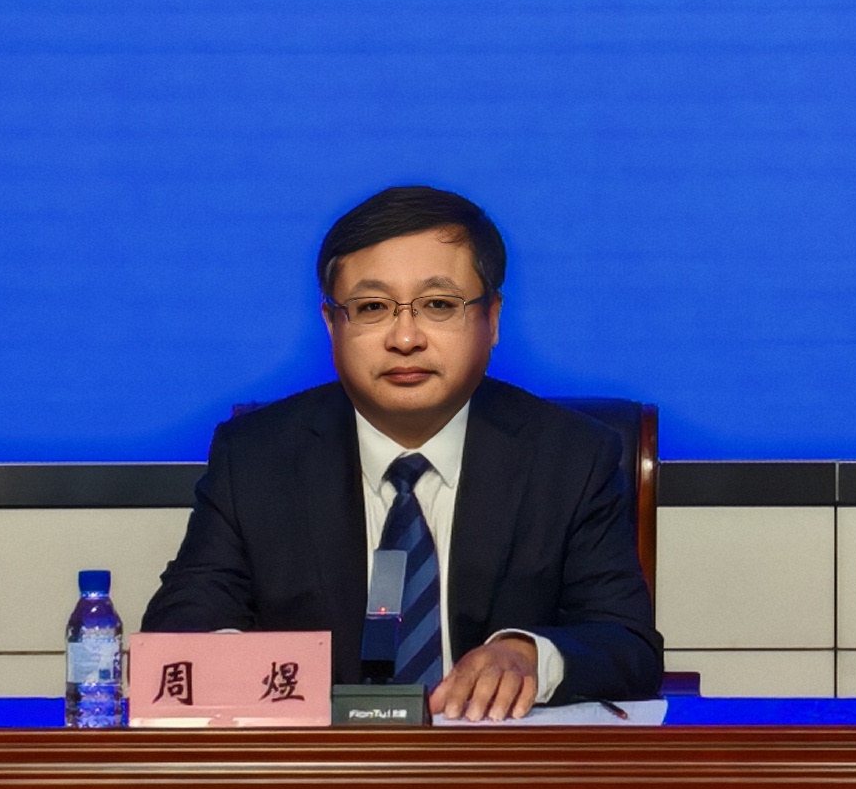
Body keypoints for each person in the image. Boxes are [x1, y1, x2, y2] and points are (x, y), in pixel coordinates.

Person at [143, 183, 660, 719]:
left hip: (496, 763)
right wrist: (254, 670)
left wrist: (526, 655)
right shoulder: (257, 458)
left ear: (492, 319)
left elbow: (627, 645)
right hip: (320, 764)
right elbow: (181, 631)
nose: (406, 338)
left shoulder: (571, 457)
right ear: (332, 324)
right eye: (372, 307)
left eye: (439, 305)